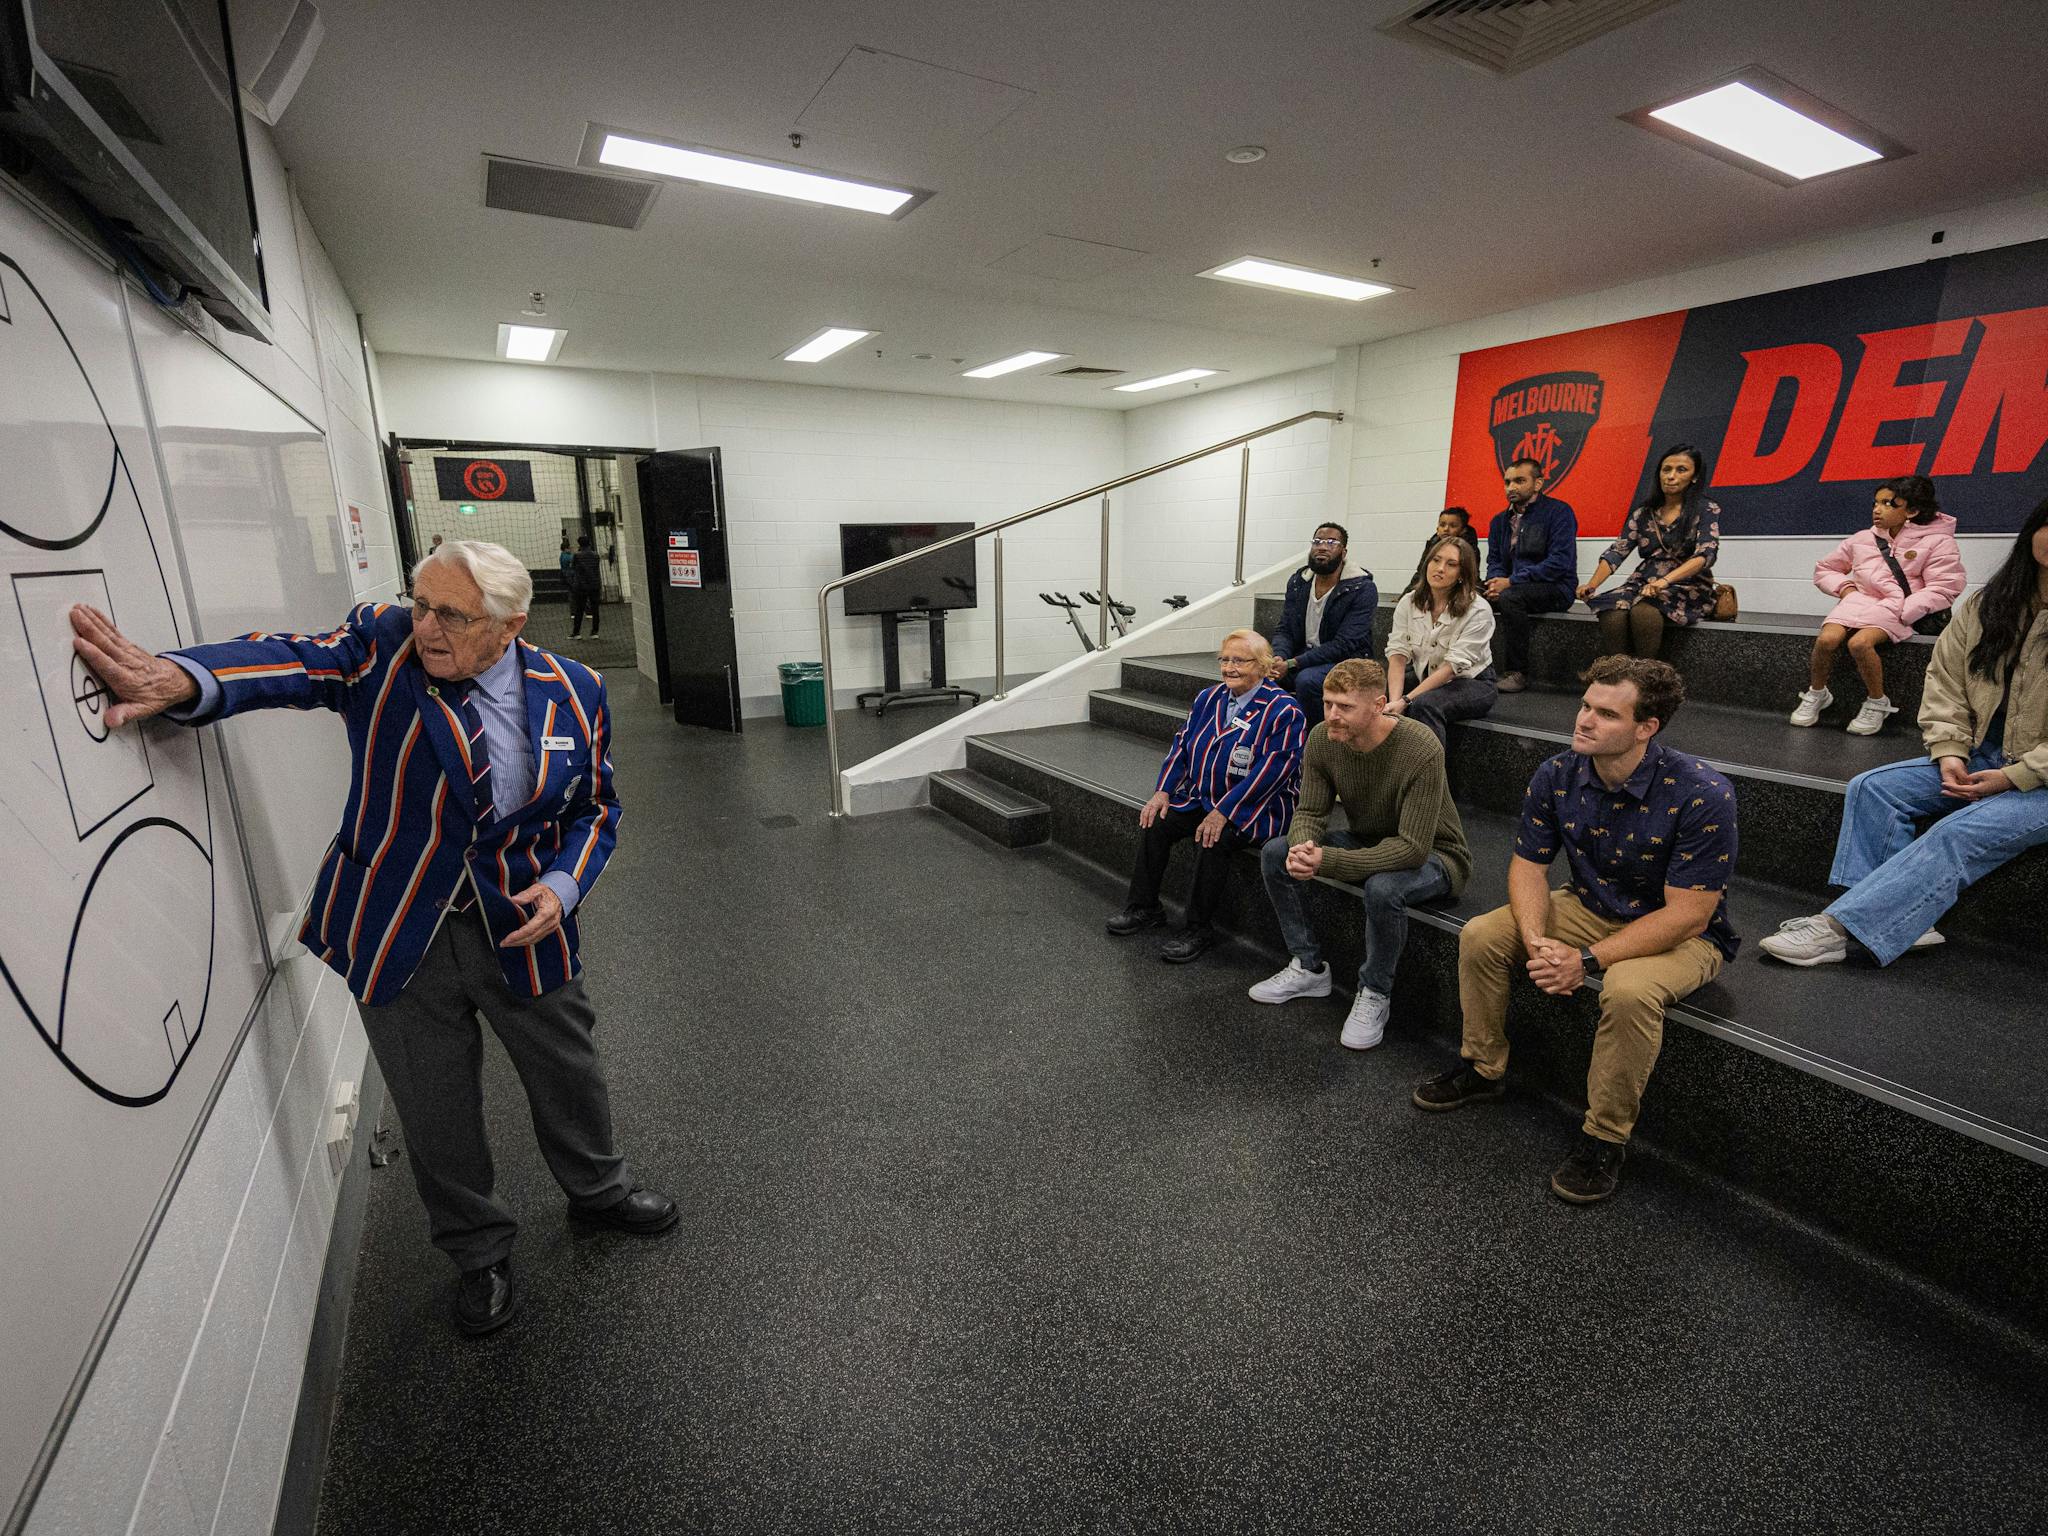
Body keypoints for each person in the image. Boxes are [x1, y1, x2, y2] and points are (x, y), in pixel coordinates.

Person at [68, 539, 674, 1337]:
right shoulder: (384, 648)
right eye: (421, 603)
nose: (427, 625)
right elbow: (294, 660)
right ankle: (478, 1251)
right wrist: (185, 678)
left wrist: (563, 887)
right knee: (434, 1104)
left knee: (568, 1071)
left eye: (451, 614)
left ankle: (598, 1190)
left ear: (510, 625)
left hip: (524, 927)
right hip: (397, 929)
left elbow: (595, 808)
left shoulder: (577, 690)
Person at [1412, 656, 1738, 1205]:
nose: (1584, 720)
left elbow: (1690, 914)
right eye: (1585, 705)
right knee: (1484, 935)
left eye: (1606, 714)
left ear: (1646, 728)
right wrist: (1539, 940)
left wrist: (1584, 961)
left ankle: (1605, 1138)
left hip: (1682, 935)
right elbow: (1528, 867)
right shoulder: (1558, 773)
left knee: (1630, 991)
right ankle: (1483, 1066)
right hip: (1589, 905)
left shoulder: (1702, 792)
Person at [1762, 498, 2048, 968]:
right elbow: (1945, 682)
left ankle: (1838, 929)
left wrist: (2018, 776)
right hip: (1985, 754)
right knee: (1874, 788)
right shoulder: (1988, 605)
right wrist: (1950, 750)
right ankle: (1902, 918)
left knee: (1958, 830)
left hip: (2040, 778)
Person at [1250, 658, 1471, 1049]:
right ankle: (1308, 966)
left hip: (1436, 855)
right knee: (1275, 853)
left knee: (1383, 889)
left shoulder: (1420, 746)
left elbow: (1412, 848)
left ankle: (1375, 992)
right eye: (1328, 703)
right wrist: (1303, 846)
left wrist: (1327, 861)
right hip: (1368, 839)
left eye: (1345, 707)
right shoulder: (1322, 738)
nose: (1333, 715)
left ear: (1379, 704)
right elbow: (1312, 812)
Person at [1108, 628, 1306, 963]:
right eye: (1224, 660)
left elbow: (1271, 773)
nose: (1229, 667)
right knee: (1157, 820)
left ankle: (1199, 929)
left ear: (1261, 666)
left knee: (1213, 837)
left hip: (1258, 807)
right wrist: (1163, 791)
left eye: (1239, 661)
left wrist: (1225, 811)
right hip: (1206, 796)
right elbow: (1182, 746)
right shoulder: (1208, 698)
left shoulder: (1284, 711)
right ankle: (1145, 908)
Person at [1791, 476, 1965, 735]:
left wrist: (1907, 610)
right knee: (1827, 640)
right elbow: (1826, 568)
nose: (1877, 509)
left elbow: (1944, 586)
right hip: (1859, 600)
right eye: (1876, 502)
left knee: (1859, 643)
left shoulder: (1939, 541)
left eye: (1888, 503)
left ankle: (1877, 701)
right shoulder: (1863, 538)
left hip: (1898, 605)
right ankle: (1818, 693)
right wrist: (1846, 589)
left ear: (1912, 511)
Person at [1577, 443, 1723, 659]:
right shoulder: (1643, 513)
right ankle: (1618, 676)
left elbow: (1705, 554)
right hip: (1644, 580)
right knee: (1611, 607)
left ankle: (1645, 678)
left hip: (1687, 583)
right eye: (1666, 469)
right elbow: (1617, 551)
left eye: (1681, 470)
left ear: (1694, 477)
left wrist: (1663, 583)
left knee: (1643, 610)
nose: (1671, 476)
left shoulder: (1706, 508)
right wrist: (1592, 584)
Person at [1385, 534, 1497, 747]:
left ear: (1462, 574)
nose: (1440, 568)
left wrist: (1406, 701)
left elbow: (1451, 668)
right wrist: (1394, 702)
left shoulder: (1479, 610)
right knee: (1375, 693)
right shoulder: (1408, 602)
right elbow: (1398, 655)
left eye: (1451, 564)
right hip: (1426, 673)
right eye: (1436, 560)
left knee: (1424, 704)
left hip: (1473, 682)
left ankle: (1430, 777)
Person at [1265, 523, 1378, 725]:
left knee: (1307, 680)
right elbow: (1286, 629)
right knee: (1262, 673)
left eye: (1331, 542)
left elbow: (1345, 644)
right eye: (1317, 541)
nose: (1323, 547)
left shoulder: (1362, 588)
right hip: (1304, 657)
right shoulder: (1298, 582)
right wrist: (1278, 657)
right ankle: (1276, 736)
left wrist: (1291, 663)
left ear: (1343, 552)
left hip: (1348, 660)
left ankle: (1316, 740)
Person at [1483, 458, 1578, 693]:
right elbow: (1494, 559)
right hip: (1511, 586)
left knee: (1511, 598)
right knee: (1464, 593)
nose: (1511, 487)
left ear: (1537, 484)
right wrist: (1495, 581)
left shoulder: (1559, 512)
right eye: (1507, 482)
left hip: (1555, 587)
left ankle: (1517, 672)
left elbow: (1559, 563)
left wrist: (1511, 582)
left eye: (1519, 481)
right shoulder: (1499, 521)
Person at [568, 534, 603, 639]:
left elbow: (572, 567)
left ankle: (577, 633)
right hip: (594, 585)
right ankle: (595, 632)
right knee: (595, 610)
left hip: (581, 586)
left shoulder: (577, 556)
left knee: (579, 610)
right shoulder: (596, 555)